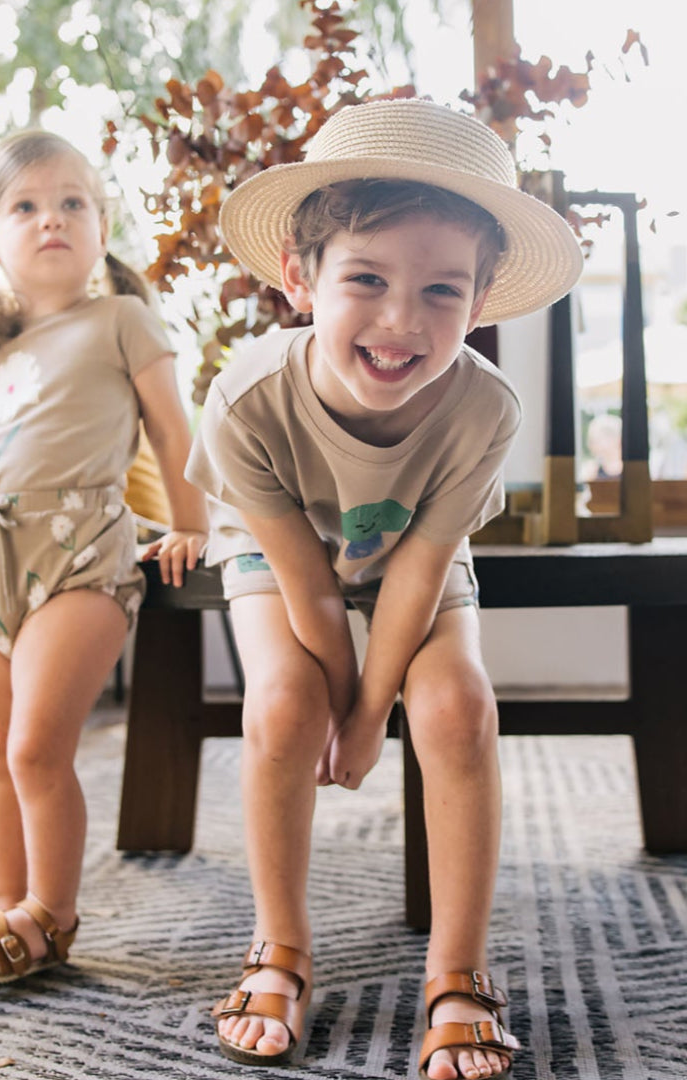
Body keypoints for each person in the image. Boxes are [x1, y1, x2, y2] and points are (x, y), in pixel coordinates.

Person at [186, 99, 582, 1078]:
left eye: (443, 292)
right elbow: (310, 591)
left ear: (481, 301)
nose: (403, 321)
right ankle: (279, 945)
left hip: (413, 553)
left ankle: (458, 971)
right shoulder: (244, 399)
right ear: (298, 278)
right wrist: (339, 701)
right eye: (366, 278)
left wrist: (374, 711)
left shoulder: (485, 408)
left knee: (456, 705)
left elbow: (419, 571)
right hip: (284, 558)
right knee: (285, 703)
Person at [0, 129, 208, 989]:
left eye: (72, 203)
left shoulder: (121, 319)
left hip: (82, 550)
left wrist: (193, 524)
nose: (51, 218)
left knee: (36, 748)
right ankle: (4, 903)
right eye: (25, 206)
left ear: (100, 223)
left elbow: (170, 430)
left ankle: (52, 915)